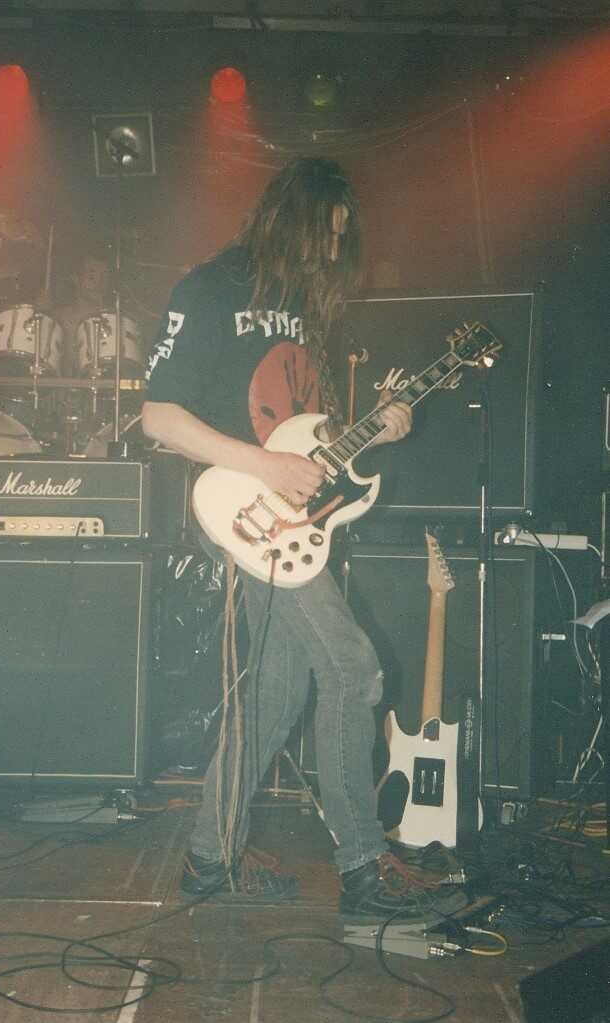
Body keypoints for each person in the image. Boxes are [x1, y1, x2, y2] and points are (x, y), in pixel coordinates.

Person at [141, 157, 425, 918]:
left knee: (277, 691)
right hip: (236, 509)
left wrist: (376, 427)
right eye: (325, 234)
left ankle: (210, 857)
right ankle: (364, 866)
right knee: (353, 668)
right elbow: (159, 417)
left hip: (287, 519)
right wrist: (264, 465)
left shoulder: (303, 308)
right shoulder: (210, 288)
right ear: (291, 220)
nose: (334, 251)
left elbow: (307, 438)